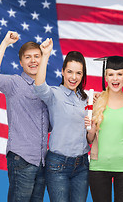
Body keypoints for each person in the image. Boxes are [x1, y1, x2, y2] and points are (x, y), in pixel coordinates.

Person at [0, 31, 49, 202]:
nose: (33, 60)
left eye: (37, 56)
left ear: (43, 59)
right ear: (21, 62)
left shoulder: (47, 91)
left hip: (42, 162)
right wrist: (5, 43)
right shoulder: (14, 83)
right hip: (22, 159)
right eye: (28, 57)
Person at [33, 38, 90, 202]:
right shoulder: (54, 94)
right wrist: (45, 55)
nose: (74, 77)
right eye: (70, 71)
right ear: (63, 71)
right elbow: (38, 86)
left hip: (82, 165)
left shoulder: (86, 100)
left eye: (78, 73)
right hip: (57, 165)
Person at [85, 56, 123, 202]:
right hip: (99, 167)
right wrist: (91, 127)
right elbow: (89, 139)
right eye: (111, 74)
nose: (115, 79)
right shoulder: (95, 103)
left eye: (120, 74)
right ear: (106, 77)